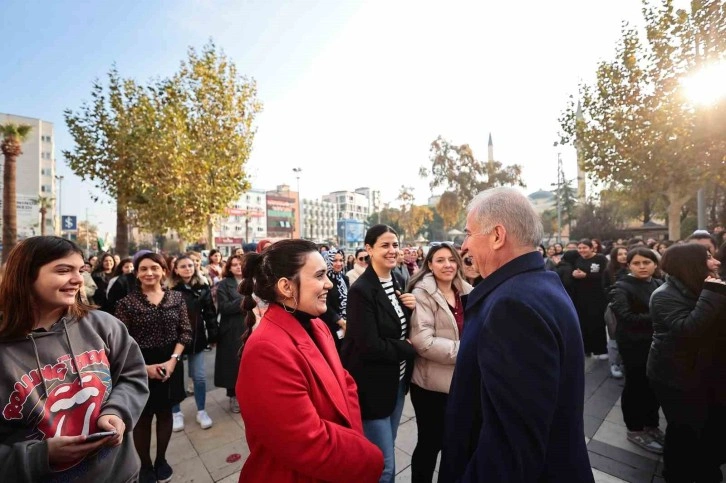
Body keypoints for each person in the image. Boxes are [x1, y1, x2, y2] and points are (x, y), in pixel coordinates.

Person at [439, 187, 593, 483]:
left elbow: (510, 450)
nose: (463, 247)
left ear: (497, 235)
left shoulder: (512, 307)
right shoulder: (539, 286)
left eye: (469, 233)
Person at [0, 236, 149, 482]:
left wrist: (117, 412)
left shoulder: (104, 325)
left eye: (80, 270)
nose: (78, 279)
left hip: (120, 474)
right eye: (63, 270)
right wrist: (39, 456)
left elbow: (132, 376)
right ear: (25, 275)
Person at [236, 239, 384, 482]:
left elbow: (345, 383)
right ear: (286, 286)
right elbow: (306, 442)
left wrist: (353, 438)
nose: (329, 284)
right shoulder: (265, 349)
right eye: (319, 276)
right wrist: (369, 457)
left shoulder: (317, 325)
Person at [342, 225, 417, 483]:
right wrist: (409, 347)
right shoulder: (361, 291)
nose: (392, 250)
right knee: (383, 465)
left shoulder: (395, 280)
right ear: (369, 249)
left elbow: (395, 327)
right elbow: (369, 345)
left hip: (396, 384)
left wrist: (411, 307)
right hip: (372, 388)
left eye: (395, 244)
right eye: (385, 245)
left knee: (387, 448)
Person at [647, 244, 726, 482]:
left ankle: (707, 468)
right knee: (684, 431)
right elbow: (689, 329)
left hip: (707, 372)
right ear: (691, 264)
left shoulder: (703, 286)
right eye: (708, 258)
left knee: (710, 427)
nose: (716, 262)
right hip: (676, 376)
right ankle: (677, 473)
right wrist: (712, 292)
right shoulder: (663, 295)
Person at [114, 252, 192, 483]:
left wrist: (172, 361)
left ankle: (161, 460)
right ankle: (146, 466)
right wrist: (143, 367)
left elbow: (185, 332)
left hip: (171, 361)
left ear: (163, 271)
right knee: (144, 417)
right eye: (144, 269)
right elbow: (121, 341)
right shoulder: (126, 303)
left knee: (166, 412)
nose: (149, 273)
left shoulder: (177, 298)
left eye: (154, 268)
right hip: (139, 364)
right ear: (136, 273)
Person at [408, 243, 473, 482]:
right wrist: (467, 351)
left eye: (451, 260)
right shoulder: (421, 293)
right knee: (430, 443)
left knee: (456, 444)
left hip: (460, 382)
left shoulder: (467, 291)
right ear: (430, 265)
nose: (447, 265)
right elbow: (422, 341)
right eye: (440, 260)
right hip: (430, 385)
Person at [609, 248, 664, 454]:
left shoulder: (659, 284)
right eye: (637, 263)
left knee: (653, 387)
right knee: (635, 386)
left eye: (646, 262)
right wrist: (660, 315)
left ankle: (652, 425)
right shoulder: (621, 287)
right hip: (634, 346)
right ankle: (635, 428)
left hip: (656, 345)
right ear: (629, 265)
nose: (642, 266)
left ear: (655, 264)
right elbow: (627, 317)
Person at [168, 256, 218, 432]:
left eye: (190, 265)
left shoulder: (202, 287)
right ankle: (176, 413)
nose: (188, 268)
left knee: (199, 377)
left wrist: (213, 336)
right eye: (183, 266)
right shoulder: (170, 289)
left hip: (197, 338)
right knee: (174, 377)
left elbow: (210, 313)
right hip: (174, 341)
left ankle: (201, 411)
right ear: (176, 269)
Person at [214, 254, 246, 413]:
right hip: (232, 329)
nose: (238, 267)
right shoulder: (224, 285)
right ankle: (233, 396)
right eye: (234, 265)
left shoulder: (251, 282)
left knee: (248, 364)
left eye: (240, 264)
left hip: (250, 327)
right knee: (233, 365)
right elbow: (225, 307)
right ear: (229, 267)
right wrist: (244, 299)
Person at [572, 239, 609, 358]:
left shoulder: (601, 259)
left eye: (584, 247)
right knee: (583, 322)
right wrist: (574, 275)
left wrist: (586, 276)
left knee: (597, 322)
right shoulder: (577, 260)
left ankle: (601, 349)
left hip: (598, 296)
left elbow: (605, 275)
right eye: (580, 248)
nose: (582, 250)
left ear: (592, 248)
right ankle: (586, 348)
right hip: (582, 296)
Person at [604, 246, 629, 379]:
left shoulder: (631, 269)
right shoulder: (609, 271)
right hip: (614, 308)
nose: (623, 256)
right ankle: (614, 363)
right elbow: (605, 290)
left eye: (626, 253)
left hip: (631, 308)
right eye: (620, 254)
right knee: (614, 336)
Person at [319, 249, 349, 353]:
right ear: (328, 261)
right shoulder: (324, 280)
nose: (339, 263)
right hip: (330, 325)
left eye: (341, 260)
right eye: (335, 260)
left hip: (346, 325)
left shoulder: (345, 279)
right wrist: (340, 322)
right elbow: (325, 305)